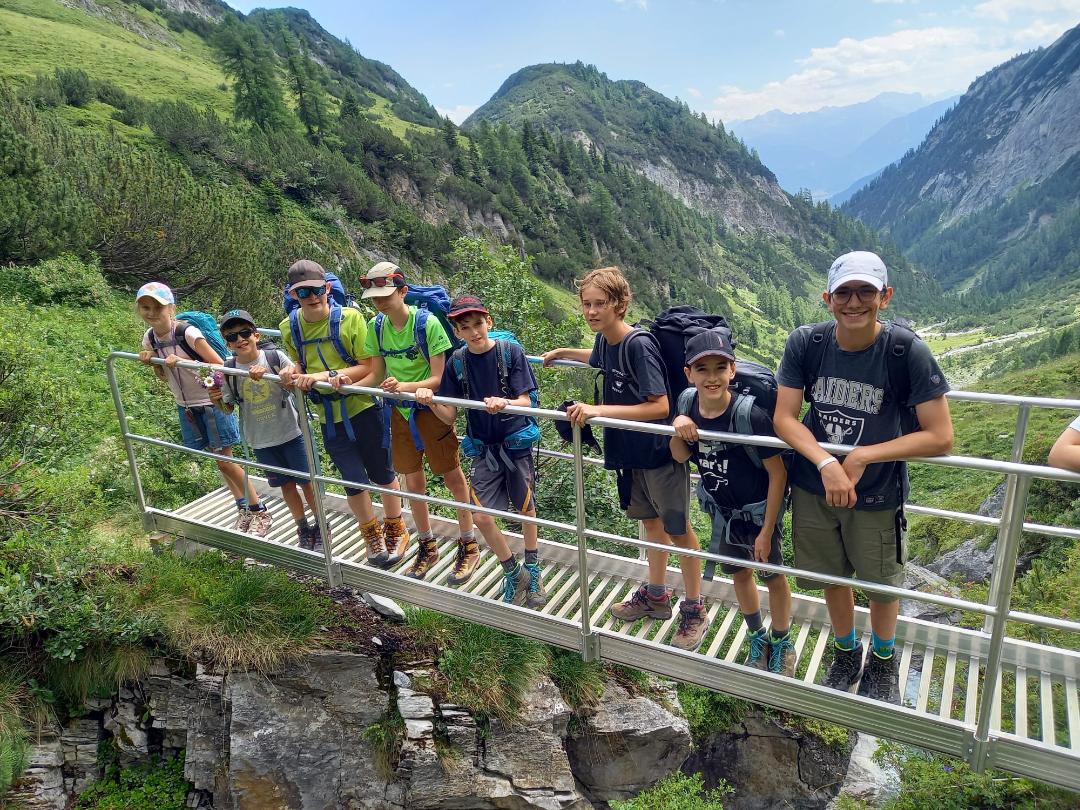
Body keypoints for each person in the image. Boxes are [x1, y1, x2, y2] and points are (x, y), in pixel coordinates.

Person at [773, 251, 954, 704]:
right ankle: (846, 653)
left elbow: (941, 437)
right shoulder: (806, 344)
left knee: (880, 583)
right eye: (844, 293)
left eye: (866, 292)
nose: (854, 302)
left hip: (877, 493)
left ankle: (884, 662)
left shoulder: (904, 351)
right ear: (827, 298)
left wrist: (862, 457)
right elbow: (785, 418)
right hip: (815, 488)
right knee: (833, 577)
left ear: (884, 297)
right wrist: (827, 463)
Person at [542, 266, 705, 649]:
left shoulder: (638, 344)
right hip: (629, 454)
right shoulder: (607, 342)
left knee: (679, 531)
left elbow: (659, 405)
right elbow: (600, 359)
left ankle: (695, 609)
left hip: (658, 454)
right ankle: (656, 597)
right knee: (651, 526)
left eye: (600, 304)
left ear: (620, 304)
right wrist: (564, 353)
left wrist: (599, 410)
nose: (591, 311)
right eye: (587, 304)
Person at [670, 329, 794, 670]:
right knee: (739, 573)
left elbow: (778, 474)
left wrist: (767, 530)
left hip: (758, 514)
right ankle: (757, 636)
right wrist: (678, 424)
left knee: (772, 574)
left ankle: (782, 639)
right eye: (703, 369)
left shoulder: (749, 416)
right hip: (723, 514)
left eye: (719, 368)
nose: (712, 377)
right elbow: (680, 456)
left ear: (732, 371)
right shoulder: (686, 404)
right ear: (689, 374)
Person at [276, 259, 410, 567]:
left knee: (383, 474)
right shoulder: (290, 327)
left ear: (326, 288)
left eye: (316, 290)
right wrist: (290, 372)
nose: (312, 297)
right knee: (352, 480)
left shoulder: (350, 319)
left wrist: (327, 377)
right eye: (303, 292)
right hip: (329, 415)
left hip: (363, 408)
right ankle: (371, 535)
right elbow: (301, 364)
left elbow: (370, 366)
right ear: (294, 296)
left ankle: (396, 528)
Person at [416, 295, 546, 606]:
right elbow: (449, 416)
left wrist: (506, 403)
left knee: (526, 508)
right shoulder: (458, 362)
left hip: (515, 443)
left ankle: (534, 570)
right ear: (457, 332)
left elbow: (527, 402)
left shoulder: (510, 351)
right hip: (483, 448)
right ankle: (513, 571)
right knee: (480, 514)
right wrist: (430, 400)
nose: (475, 332)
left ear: (488, 322)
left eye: (478, 324)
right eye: (466, 327)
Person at [354, 262, 475, 579]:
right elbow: (377, 373)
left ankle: (468, 544)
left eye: (386, 295)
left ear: (403, 291)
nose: (379, 302)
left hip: (429, 410)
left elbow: (438, 377)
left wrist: (405, 387)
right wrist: (341, 384)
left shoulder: (428, 324)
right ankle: (426, 545)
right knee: (412, 481)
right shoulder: (376, 326)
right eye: (375, 297)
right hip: (398, 411)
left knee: (452, 478)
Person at [136, 282, 267, 532]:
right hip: (186, 405)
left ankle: (258, 509)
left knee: (225, 460)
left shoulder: (188, 334)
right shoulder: (150, 338)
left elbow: (219, 365)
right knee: (219, 461)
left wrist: (185, 362)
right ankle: (244, 506)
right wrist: (151, 361)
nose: (151, 313)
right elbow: (164, 376)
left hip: (211, 403)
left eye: (157, 307)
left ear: (170, 308)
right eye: (145, 308)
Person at [209, 309, 323, 550]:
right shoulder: (229, 370)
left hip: (292, 433)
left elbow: (297, 384)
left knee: (308, 483)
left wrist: (286, 377)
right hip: (261, 440)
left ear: (256, 335)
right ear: (227, 344)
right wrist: (216, 398)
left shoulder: (274, 358)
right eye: (232, 337)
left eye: (244, 333)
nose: (240, 340)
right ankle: (302, 527)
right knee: (286, 485)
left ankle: (321, 526)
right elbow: (229, 408)